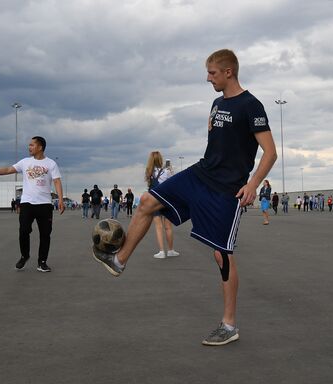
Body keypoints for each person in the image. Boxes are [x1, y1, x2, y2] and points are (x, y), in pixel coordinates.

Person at [92, 49, 277, 346]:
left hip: (226, 190)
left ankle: (229, 325)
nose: (208, 78)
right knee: (147, 202)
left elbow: (270, 152)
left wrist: (253, 183)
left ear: (229, 71)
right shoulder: (217, 104)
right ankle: (119, 260)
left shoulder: (251, 105)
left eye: (212, 73)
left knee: (222, 255)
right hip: (200, 175)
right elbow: (216, 140)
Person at [0, 136, 64, 272]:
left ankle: (42, 262)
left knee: (45, 234)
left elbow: (57, 182)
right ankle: (24, 256)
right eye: (29, 145)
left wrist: (60, 199)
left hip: (44, 204)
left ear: (40, 147)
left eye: (32, 145)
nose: (29, 147)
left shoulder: (51, 164)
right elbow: (8, 170)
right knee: (24, 230)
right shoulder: (25, 162)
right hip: (27, 203)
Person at [146, 152, 179, 259]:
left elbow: (149, 186)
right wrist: (171, 170)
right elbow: (173, 183)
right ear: (161, 160)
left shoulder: (149, 172)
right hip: (166, 200)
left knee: (158, 227)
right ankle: (170, 250)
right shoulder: (166, 171)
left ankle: (161, 251)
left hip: (154, 201)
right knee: (168, 227)